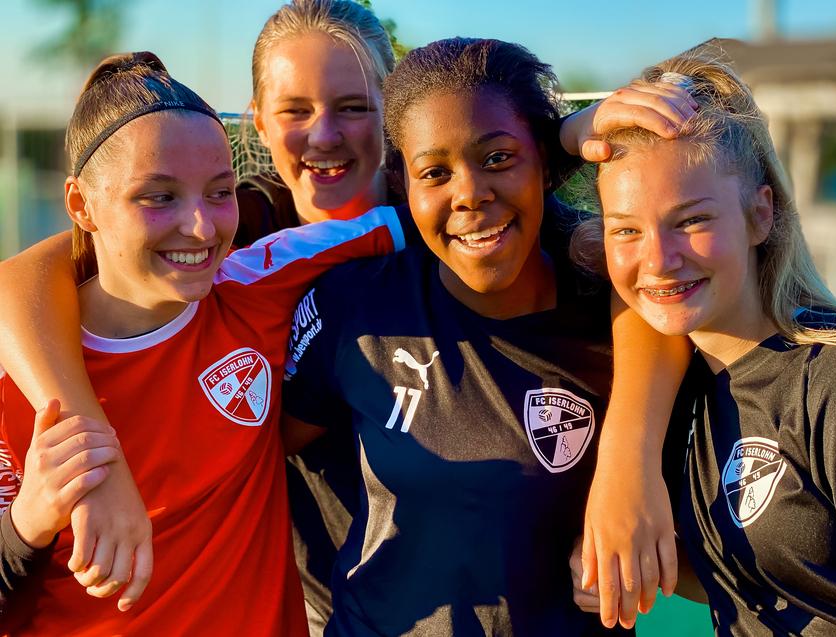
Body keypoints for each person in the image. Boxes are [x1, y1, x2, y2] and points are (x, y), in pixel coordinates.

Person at [0, 1, 697, 628]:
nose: (324, 134)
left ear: (394, 123)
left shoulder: (436, 226)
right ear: (259, 121)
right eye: (295, 109)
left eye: (354, 106)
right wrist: (81, 455)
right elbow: (28, 276)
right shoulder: (240, 245)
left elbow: (627, 277)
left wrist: (564, 135)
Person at [279, 36, 695, 635]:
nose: (469, 193)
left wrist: (628, 470)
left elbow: (659, 304)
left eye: (498, 158)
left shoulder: (613, 293)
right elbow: (255, 452)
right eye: (435, 172)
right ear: (404, 183)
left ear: (547, 163)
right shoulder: (353, 304)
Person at [0, 51, 406, 635]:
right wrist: (28, 521)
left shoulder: (255, 286)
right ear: (81, 206)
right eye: (158, 197)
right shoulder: (21, 375)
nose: (200, 226)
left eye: (219, 192)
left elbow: (450, 213)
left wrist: (566, 138)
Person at [574, 49, 836, 635]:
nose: (658, 259)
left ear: (761, 214)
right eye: (627, 230)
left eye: (692, 220)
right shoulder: (677, 387)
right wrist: (630, 560)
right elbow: (787, 571)